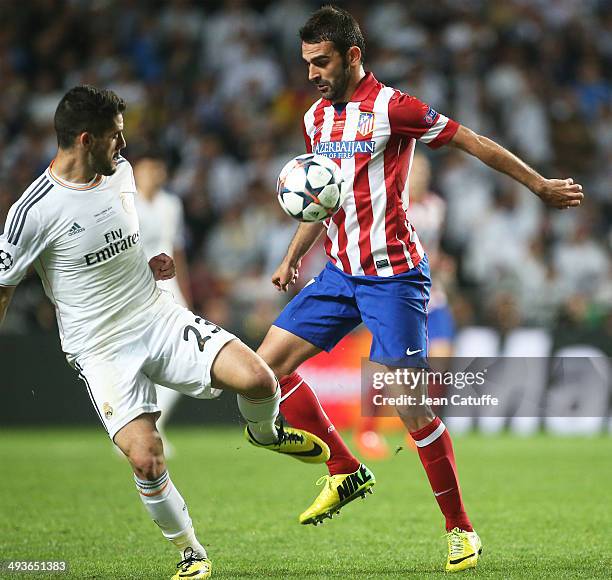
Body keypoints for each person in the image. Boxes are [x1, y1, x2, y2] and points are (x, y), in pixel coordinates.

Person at [251, 6, 583, 573]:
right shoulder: (315, 120)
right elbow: (321, 199)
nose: (311, 73)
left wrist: (539, 186)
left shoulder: (393, 108)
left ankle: (461, 531)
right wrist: (291, 256)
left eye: (322, 61)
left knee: (408, 404)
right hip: (337, 274)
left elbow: (473, 142)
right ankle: (344, 468)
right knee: (261, 373)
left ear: (353, 56)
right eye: (306, 62)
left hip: (394, 278)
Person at [0, 85, 329, 580]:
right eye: (115, 137)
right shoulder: (32, 213)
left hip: (157, 316)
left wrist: (153, 265)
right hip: (101, 347)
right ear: (86, 139)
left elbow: (127, 245)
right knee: (147, 458)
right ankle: (192, 552)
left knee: (261, 379)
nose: (124, 147)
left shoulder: (123, 175)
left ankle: (265, 433)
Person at [133, 150, 192, 456]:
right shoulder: (125, 202)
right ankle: (137, 431)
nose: (153, 174)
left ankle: (153, 425)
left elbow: (176, 248)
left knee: (185, 358)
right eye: (147, 169)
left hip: (169, 288)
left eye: (157, 169)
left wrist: (186, 292)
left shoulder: (172, 204)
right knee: (137, 362)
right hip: (133, 291)